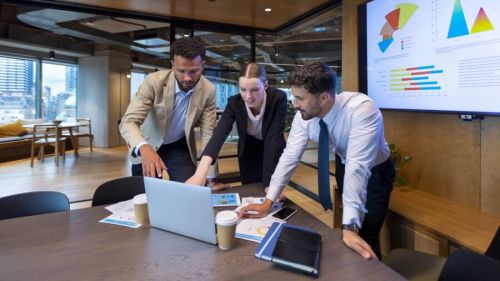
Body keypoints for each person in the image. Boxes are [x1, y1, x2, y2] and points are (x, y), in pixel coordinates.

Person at [239, 62, 395, 260]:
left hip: (375, 172)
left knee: (365, 235)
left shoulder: (362, 110)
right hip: (343, 164)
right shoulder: (303, 116)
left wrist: (350, 226)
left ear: (323, 97)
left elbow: (358, 168)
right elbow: (290, 156)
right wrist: (268, 201)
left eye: (300, 98)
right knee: (351, 232)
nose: (294, 104)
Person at [120, 37, 216, 182]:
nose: (187, 78)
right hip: (148, 143)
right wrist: (144, 147)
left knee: (188, 189)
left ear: (202, 65)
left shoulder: (208, 90)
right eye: (181, 71)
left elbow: (208, 134)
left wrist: (210, 176)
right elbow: (128, 122)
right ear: (172, 65)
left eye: (194, 71)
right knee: (146, 193)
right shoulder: (153, 82)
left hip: (179, 146)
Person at [186, 63, 287, 189]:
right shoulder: (235, 102)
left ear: (265, 85)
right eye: (243, 89)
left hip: (273, 148)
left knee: (271, 190)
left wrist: (269, 184)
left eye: (254, 90)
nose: (248, 96)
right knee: (250, 189)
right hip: (249, 149)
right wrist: (200, 173)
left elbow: (273, 140)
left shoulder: (278, 98)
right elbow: (219, 135)